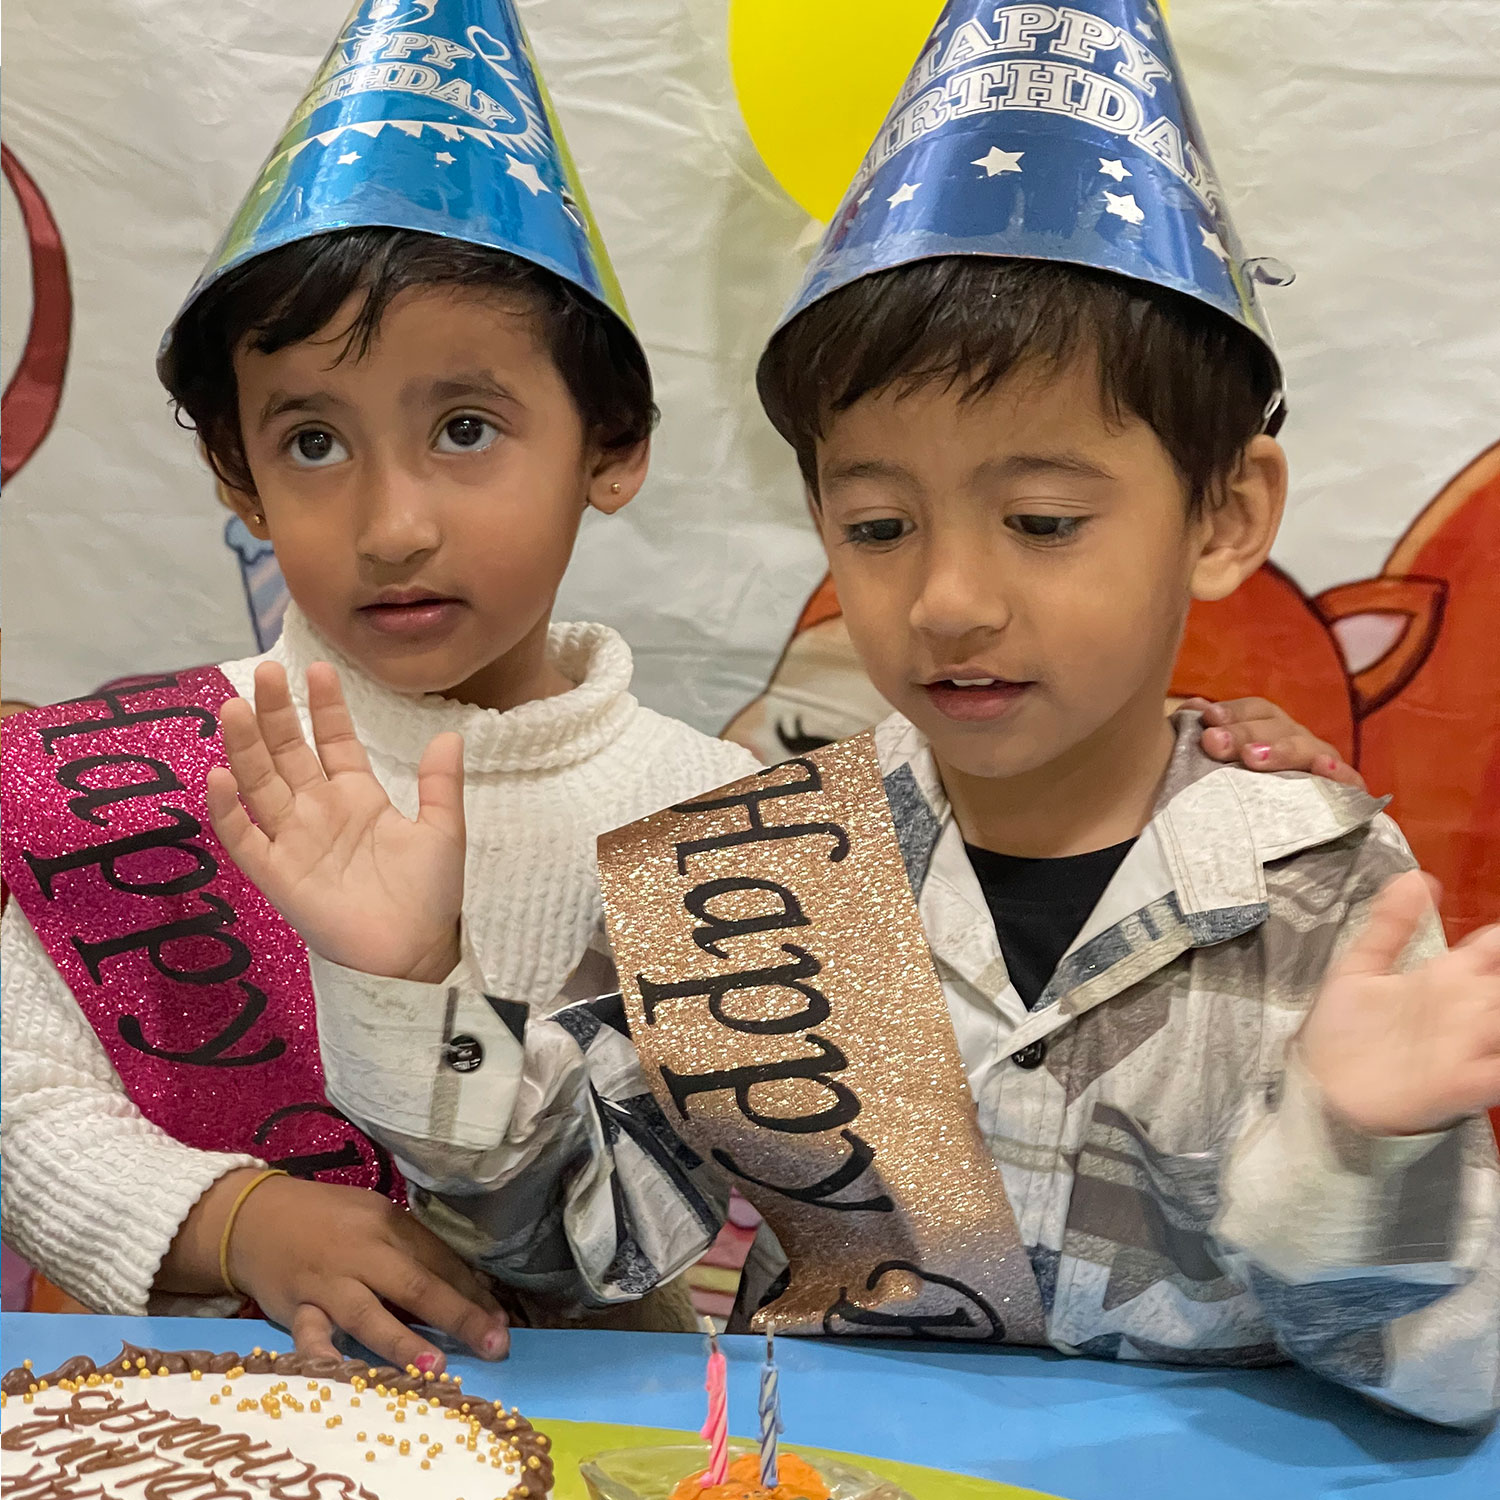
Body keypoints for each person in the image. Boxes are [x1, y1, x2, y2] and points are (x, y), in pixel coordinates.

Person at [217, 0, 1500, 1425]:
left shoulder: (1321, 887)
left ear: (1225, 514)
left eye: (1042, 518)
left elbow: (1447, 1380)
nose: (950, 597)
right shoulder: (744, 867)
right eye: (880, 526)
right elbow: (579, 1242)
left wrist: (1358, 1156)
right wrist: (415, 987)